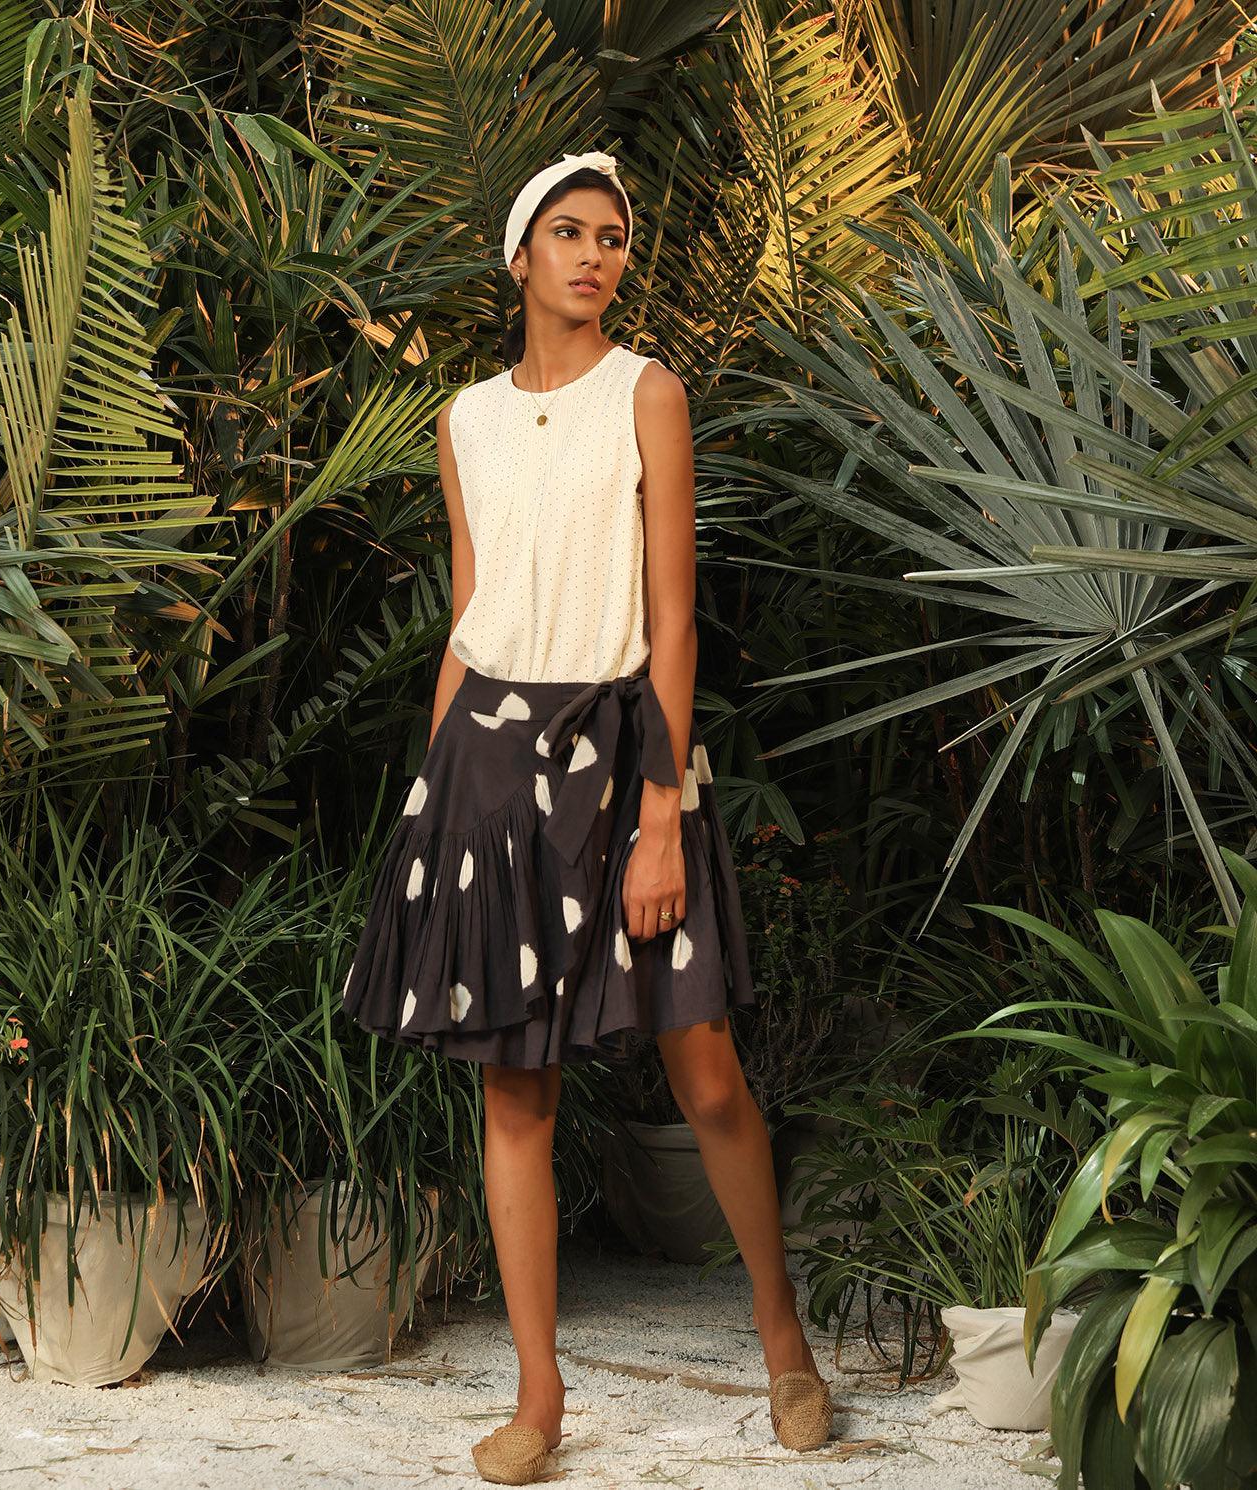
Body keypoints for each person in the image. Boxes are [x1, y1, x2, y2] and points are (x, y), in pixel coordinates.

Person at [341, 148, 833, 1486]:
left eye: (612, 236)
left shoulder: (646, 393)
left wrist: (663, 815)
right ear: (520, 258)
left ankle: (785, 1343)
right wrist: (431, 790)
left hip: (627, 752)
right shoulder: (465, 420)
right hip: (487, 765)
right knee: (516, 1087)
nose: (595, 255)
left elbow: (674, 617)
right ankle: (538, 1396)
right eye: (569, 232)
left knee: (704, 1063)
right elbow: (472, 609)